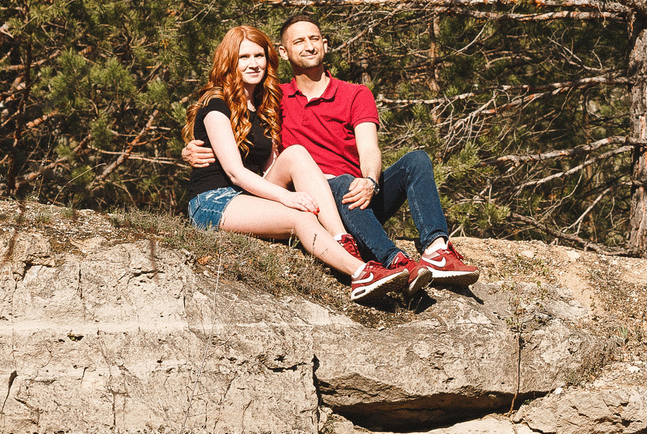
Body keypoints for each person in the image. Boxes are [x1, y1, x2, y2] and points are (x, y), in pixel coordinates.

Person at [183, 16, 480, 294]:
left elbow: (369, 149)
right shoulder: (276, 99)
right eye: (299, 41)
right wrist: (192, 148)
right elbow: (225, 138)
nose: (309, 46)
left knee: (415, 160)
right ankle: (394, 261)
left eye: (314, 38)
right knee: (334, 180)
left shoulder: (353, 94)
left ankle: (437, 250)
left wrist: (370, 181)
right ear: (284, 53)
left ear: (326, 45)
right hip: (321, 195)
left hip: (358, 196)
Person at [183, 24, 393, 302]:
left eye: (259, 56)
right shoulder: (216, 102)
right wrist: (287, 198)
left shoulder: (263, 104)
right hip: (214, 199)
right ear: (229, 62)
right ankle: (361, 274)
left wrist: (292, 194)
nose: (253, 64)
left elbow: (272, 168)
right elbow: (235, 173)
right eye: (243, 58)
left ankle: (342, 239)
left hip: (246, 197)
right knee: (300, 216)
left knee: (295, 152)